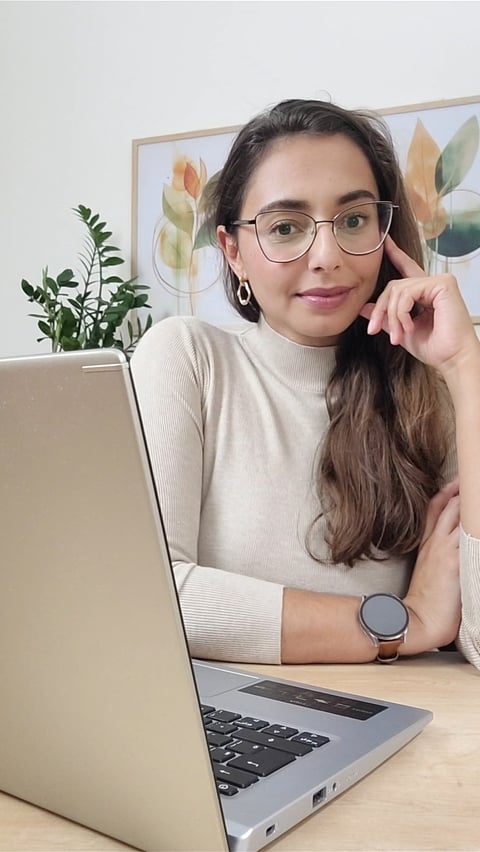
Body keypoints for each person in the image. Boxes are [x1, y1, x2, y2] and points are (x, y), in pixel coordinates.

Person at [131, 99, 480, 668]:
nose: (327, 256)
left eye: (353, 219)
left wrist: (467, 370)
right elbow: (150, 598)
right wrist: (398, 624)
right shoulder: (190, 360)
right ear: (234, 251)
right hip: (230, 738)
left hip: (397, 731)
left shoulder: (429, 395)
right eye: (286, 227)